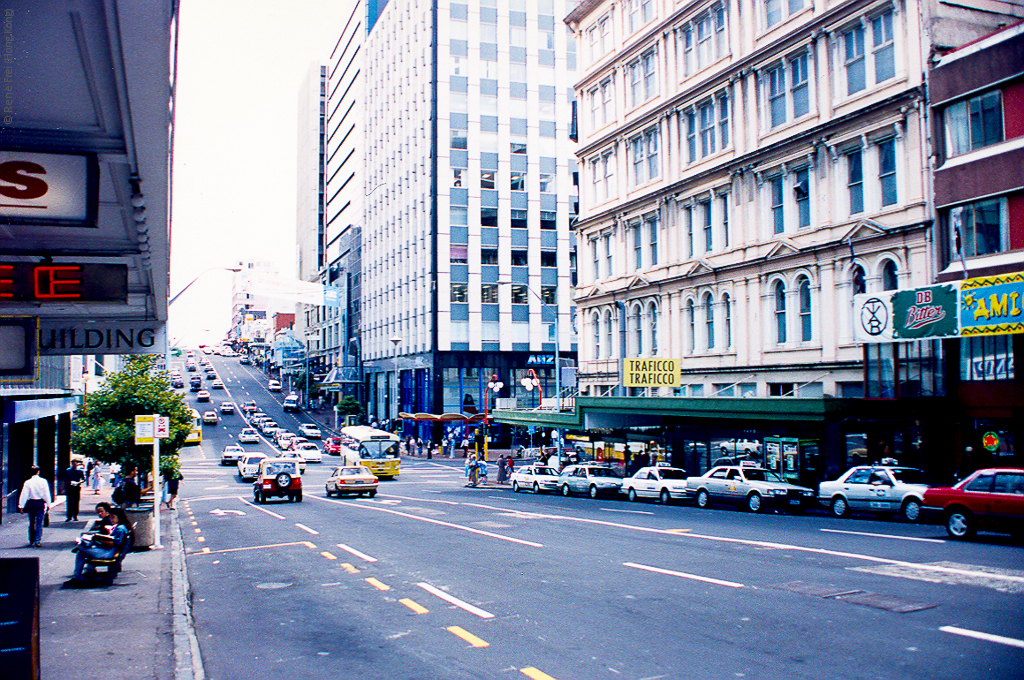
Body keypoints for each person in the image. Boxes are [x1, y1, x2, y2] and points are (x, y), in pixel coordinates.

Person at [67, 507, 130, 586]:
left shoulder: (120, 528)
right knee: (81, 553)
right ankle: (77, 577)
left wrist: (99, 539)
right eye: (110, 517)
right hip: (109, 550)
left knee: (81, 547)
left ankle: (78, 576)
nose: (111, 520)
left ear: (119, 517)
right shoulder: (120, 526)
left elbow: (114, 543)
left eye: (113, 517)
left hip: (108, 553)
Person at [18, 466, 52, 547]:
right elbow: (46, 493)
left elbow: (24, 494)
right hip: (40, 503)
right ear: (38, 472)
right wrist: (48, 504)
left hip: (31, 503)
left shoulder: (28, 482)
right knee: (39, 522)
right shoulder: (43, 481)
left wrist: (21, 505)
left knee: (31, 521)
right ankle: (38, 540)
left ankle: (31, 539)